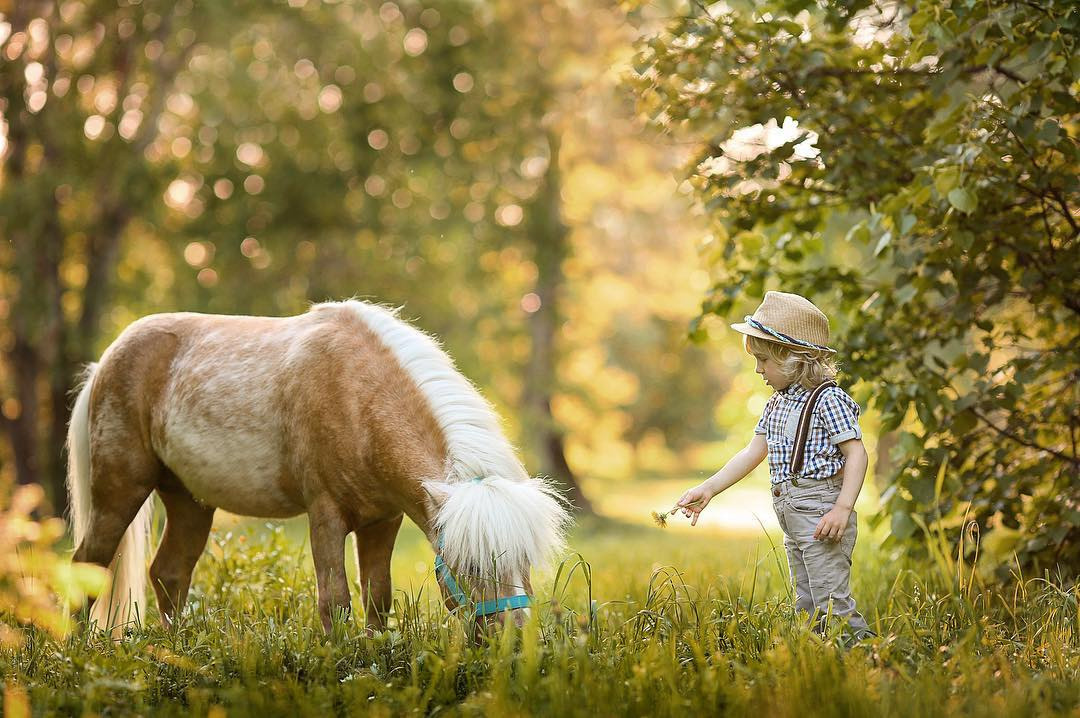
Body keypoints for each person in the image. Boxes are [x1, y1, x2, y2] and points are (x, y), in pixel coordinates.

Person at [673, 290, 873, 640]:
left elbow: (857, 453)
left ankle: (866, 657)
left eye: (763, 360)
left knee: (832, 602)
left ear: (794, 357)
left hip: (821, 512)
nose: (757, 369)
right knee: (807, 600)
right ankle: (820, 660)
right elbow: (752, 453)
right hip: (793, 516)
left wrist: (843, 507)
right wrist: (709, 488)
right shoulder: (776, 404)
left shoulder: (829, 399)